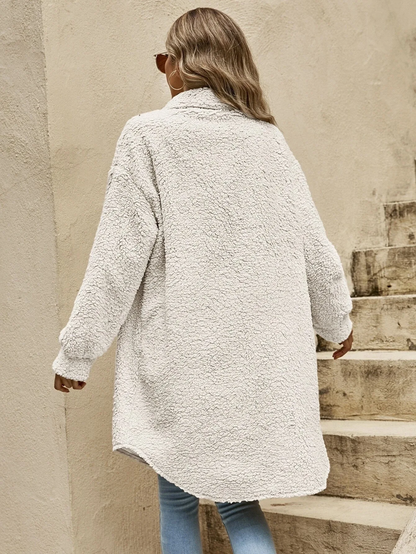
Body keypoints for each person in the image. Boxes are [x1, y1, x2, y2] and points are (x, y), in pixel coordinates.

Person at [52, 7, 353, 554]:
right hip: (254, 366)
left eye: (163, 58)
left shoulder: (148, 136)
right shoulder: (268, 142)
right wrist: (337, 324)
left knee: (177, 499)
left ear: (181, 65)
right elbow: (315, 249)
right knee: (238, 505)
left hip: (183, 360)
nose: (162, 69)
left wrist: (78, 351)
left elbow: (116, 259)